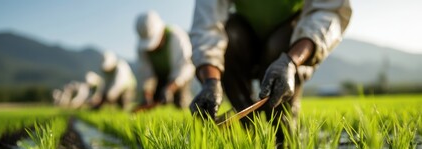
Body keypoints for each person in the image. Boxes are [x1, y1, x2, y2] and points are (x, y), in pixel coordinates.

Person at [189, 0, 352, 141]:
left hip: (291, 42)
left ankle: (284, 135)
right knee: (231, 35)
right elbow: (206, 26)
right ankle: (247, 126)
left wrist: (290, 61)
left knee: (283, 130)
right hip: (244, 43)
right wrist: (211, 82)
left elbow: (329, 10)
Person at [135, 10, 194, 109]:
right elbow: (146, 73)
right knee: (153, 103)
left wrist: (170, 89)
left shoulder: (176, 36)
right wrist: (147, 94)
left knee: (180, 101)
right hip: (159, 77)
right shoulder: (142, 49)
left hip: (179, 78)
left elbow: (184, 68)